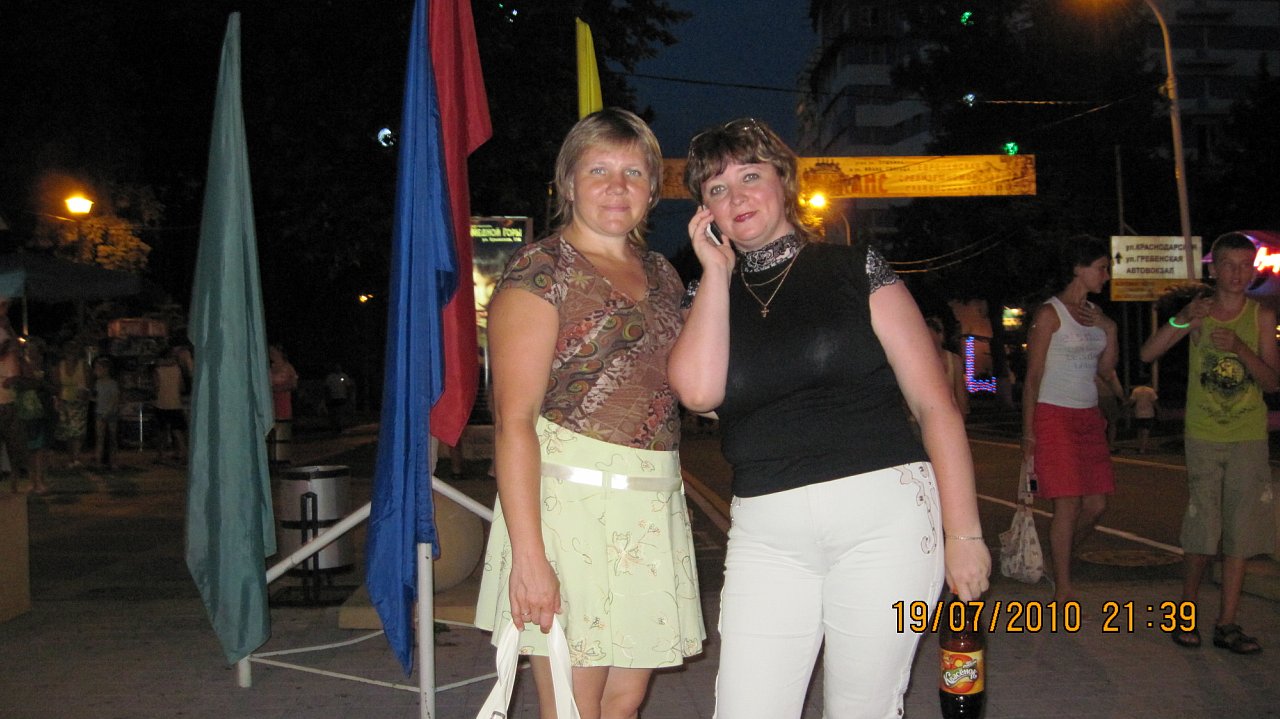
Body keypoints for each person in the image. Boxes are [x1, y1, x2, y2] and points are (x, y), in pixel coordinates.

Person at [669, 117, 989, 719]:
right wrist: (714, 273)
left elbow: (935, 406)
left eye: (750, 176)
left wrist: (964, 535)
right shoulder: (707, 296)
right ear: (704, 210)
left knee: (863, 709)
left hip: (885, 522)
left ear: (783, 181)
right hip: (767, 531)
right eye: (716, 188)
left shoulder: (855, 268)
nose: (736, 197)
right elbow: (697, 392)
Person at [474, 108, 705, 719]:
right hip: (568, 507)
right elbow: (514, 420)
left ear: (652, 191)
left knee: (624, 703)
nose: (617, 186)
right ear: (568, 183)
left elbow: (693, 389)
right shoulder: (541, 269)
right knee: (574, 704)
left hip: (650, 505)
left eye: (634, 172)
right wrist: (529, 556)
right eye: (598, 169)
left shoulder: (662, 274)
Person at [1139, 232, 1278, 655]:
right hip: (1204, 435)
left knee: (1239, 534)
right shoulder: (1199, 313)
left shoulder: (1261, 315)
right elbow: (1148, 354)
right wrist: (1183, 318)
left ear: (1253, 270)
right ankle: (1186, 614)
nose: (1238, 273)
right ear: (1214, 269)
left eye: (1245, 265)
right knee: (1202, 531)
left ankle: (1227, 623)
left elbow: (1272, 381)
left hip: (1247, 436)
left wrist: (1240, 348)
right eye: (1229, 265)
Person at [1021, 236, 1121, 605]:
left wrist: (1110, 330)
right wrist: (1028, 433)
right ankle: (1063, 587)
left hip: (1089, 415)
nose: (1106, 275)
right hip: (1054, 414)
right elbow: (1032, 377)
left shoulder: (1095, 314)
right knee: (1068, 505)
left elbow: (1105, 369)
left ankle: (1058, 558)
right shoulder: (1050, 314)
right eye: (1102, 267)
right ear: (1079, 269)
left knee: (1096, 505)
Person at [17, 338, 52, 494]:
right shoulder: (20, 366)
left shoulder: (45, 367)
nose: (30, 352)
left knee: (40, 447)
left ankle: (40, 480)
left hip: (41, 410)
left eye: (33, 349)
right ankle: (32, 480)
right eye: (28, 349)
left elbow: (52, 386)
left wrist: (40, 384)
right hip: (24, 410)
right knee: (28, 448)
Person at [0, 298, 28, 491]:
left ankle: (15, 480)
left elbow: (16, 354)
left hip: (9, 402)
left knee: (13, 443)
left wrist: (9, 331)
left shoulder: (9, 339)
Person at [53, 340, 90, 468]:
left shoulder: (83, 365)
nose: (71, 353)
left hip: (79, 402)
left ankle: (77, 457)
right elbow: (57, 385)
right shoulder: (60, 366)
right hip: (64, 401)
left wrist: (86, 393)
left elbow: (89, 383)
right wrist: (57, 400)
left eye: (73, 350)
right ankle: (71, 458)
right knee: (68, 431)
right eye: (68, 350)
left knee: (78, 431)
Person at [926, 314, 970, 417]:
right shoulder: (917, 361)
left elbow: (961, 397)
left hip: (948, 417)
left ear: (940, 336)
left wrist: (960, 419)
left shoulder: (954, 361)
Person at [152, 346, 188, 463]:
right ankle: (183, 452)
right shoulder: (177, 369)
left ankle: (160, 454)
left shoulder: (158, 370)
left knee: (161, 431)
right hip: (175, 403)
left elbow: (156, 387)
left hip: (161, 403)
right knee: (177, 430)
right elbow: (182, 387)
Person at [91, 357, 120, 470]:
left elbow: (114, 399)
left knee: (112, 438)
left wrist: (107, 411)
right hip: (100, 412)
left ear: (106, 369)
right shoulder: (97, 383)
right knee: (100, 438)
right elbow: (98, 398)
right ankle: (98, 461)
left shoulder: (112, 383)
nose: (96, 371)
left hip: (110, 413)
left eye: (98, 368)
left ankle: (113, 462)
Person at [322, 363, 353, 434]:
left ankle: (340, 427)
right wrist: (327, 397)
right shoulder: (330, 377)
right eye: (336, 367)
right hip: (333, 397)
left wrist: (349, 395)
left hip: (342, 397)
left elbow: (348, 386)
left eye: (339, 367)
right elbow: (326, 387)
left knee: (341, 412)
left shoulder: (344, 376)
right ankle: (335, 427)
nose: (338, 369)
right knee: (334, 413)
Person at [1127, 383, 1158, 454]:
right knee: (1146, 431)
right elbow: (1154, 402)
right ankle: (1143, 448)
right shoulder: (1151, 391)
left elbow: (1131, 401)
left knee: (1139, 430)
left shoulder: (1136, 390)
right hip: (1149, 413)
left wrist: (1128, 407)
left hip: (1138, 413)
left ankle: (1140, 446)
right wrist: (1159, 410)